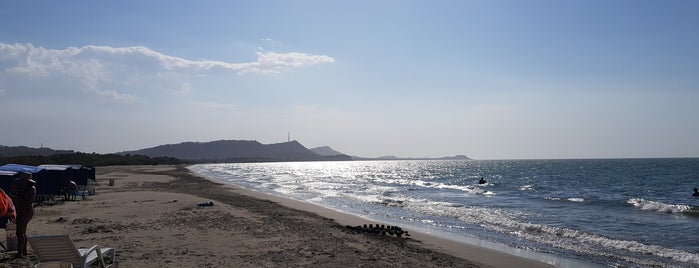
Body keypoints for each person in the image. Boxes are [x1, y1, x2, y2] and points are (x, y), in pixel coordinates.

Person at [10, 172, 36, 258]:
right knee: (22, 232)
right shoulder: (24, 188)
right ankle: (23, 251)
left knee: (20, 232)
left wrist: (17, 200)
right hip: (22, 211)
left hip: (25, 211)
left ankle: (20, 252)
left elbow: (28, 202)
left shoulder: (31, 189)